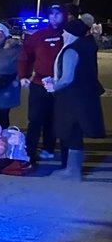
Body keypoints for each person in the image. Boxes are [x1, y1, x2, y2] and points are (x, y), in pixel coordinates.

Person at [44, 17, 106, 180]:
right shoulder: (87, 46)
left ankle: (72, 171)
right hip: (85, 96)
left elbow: (67, 78)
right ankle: (73, 169)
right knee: (76, 132)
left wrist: (53, 86)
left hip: (72, 99)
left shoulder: (72, 50)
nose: (62, 34)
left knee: (71, 132)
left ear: (71, 33)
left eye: (65, 32)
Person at [17, 3, 67, 166]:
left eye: (57, 14)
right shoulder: (38, 36)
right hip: (39, 84)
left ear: (63, 16)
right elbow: (25, 56)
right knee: (36, 119)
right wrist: (23, 75)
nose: (54, 17)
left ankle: (49, 149)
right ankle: (30, 152)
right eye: (51, 14)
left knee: (53, 119)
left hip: (60, 86)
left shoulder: (67, 35)